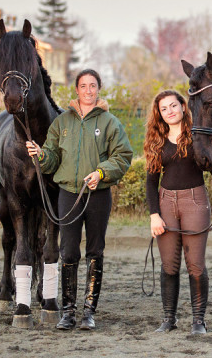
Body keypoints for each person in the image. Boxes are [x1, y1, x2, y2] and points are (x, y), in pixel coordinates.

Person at [26, 69, 133, 331]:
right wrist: (40, 155)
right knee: (69, 251)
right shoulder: (62, 123)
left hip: (98, 196)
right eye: (83, 85)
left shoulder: (110, 122)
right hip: (68, 195)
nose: (88, 90)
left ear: (98, 89)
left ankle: (89, 313)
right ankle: (69, 312)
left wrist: (101, 172)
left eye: (92, 85)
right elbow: (52, 159)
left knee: (95, 251)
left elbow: (123, 155)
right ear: (76, 90)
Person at [144, 90, 212, 334]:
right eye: (164, 108)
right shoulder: (156, 138)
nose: (170, 111)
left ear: (183, 106)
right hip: (166, 203)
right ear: (159, 113)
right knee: (169, 265)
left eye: (173, 106)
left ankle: (198, 320)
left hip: (195, 202)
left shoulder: (197, 133)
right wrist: (154, 214)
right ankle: (169, 319)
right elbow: (150, 182)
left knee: (195, 264)